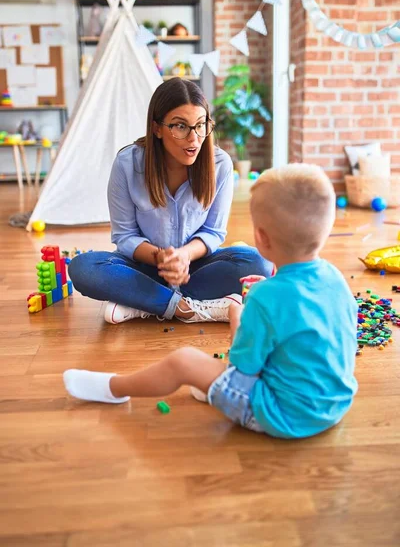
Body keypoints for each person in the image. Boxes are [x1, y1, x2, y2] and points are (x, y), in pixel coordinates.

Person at [64, 163, 359, 440]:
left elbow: (243, 366)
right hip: (333, 407)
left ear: (261, 237)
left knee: (183, 362)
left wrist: (237, 320)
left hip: (282, 416)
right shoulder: (335, 278)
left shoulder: (265, 297)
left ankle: (114, 388)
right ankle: (211, 384)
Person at [68, 78, 273, 325]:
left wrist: (184, 256)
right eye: (180, 126)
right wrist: (161, 259)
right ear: (156, 128)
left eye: (200, 125)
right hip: (143, 267)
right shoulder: (127, 163)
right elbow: (125, 236)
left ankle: (142, 303)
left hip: (196, 268)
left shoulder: (221, 165)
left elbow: (213, 232)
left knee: (258, 261)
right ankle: (185, 308)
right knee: (84, 268)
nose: (194, 139)